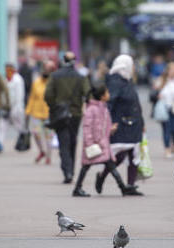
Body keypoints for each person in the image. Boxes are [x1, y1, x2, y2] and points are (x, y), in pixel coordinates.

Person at [72, 84, 136, 197]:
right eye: (107, 93)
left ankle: (122, 187)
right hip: (93, 144)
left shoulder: (104, 108)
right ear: (102, 96)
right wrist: (89, 143)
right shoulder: (91, 109)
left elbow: (102, 127)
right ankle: (77, 188)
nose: (109, 95)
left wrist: (111, 129)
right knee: (87, 166)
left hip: (103, 144)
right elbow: (87, 127)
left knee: (109, 165)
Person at [95, 54, 144, 196]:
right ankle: (102, 176)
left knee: (134, 155)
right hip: (120, 124)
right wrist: (107, 124)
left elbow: (135, 103)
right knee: (119, 156)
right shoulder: (115, 82)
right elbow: (109, 104)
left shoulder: (127, 80)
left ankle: (130, 185)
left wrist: (142, 122)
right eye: (132, 65)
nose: (134, 68)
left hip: (134, 124)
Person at [44, 52, 90, 184]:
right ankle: (71, 170)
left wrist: (54, 106)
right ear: (74, 61)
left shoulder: (54, 76)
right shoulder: (81, 77)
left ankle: (67, 171)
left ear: (62, 61)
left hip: (59, 114)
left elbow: (48, 95)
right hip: (75, 114)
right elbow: (87, 94)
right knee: (73, 141)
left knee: (63, 142)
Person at [25, 60, 56, 165]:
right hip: (36, 113)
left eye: (50, 69)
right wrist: (28, 111)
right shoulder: (36, 82)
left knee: (49, 137)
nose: (47, 71)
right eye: (46, 68)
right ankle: (42, 151)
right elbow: (32, 98)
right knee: (36, 133)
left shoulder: (54, 83)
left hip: (49, 114)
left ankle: (48, 156)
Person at [154, 62, 174, 158]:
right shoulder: (162, 80)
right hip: (164, 108)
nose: (173, 72)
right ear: (167, 70)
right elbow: (154, 89)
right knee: (166, 130)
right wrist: (158, 93)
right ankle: (167, 150)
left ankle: (173, 146)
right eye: (171, 70)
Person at [0, 63, 26, 145]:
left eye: (9, 69)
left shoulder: (18, 79)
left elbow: (19, 95)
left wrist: (17, 108)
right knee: (2, 126)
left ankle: (23, 142)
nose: (7, 71)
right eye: (6, 69)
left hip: (16, 108)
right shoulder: (6, 79)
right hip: (6, 108)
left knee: (19, 127)